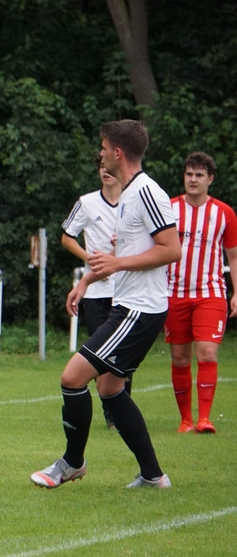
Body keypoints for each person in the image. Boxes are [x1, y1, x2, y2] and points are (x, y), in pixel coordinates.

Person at [34, 119, 180, 490]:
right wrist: (86, 281)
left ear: (117, 152)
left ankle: (72, 463)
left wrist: (117, 264)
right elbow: (121, 252)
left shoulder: (146, 192)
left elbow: (171, 250)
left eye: (103, 148)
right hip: (128, 306)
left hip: (139, 309)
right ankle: (153, 476)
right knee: (110, 389)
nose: (100, 155)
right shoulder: (128, 194)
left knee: (72, 378)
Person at [165, 151, 237, 434]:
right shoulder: (169, 209)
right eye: (189, 174)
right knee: (180, 358)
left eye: (199, 175)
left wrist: (236, 293)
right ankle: (185, 420)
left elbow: (233, 256)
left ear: (210, 179)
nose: (193, 180)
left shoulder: (224, 213)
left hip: (211, 292)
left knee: (207, 353)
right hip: (174, 293)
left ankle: (204, 419)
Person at [60, 154, 129, 428]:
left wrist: (120, 250)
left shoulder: (133, 201)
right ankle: (111, 413)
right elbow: (67, 236)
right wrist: (90, 258)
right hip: (96, 291)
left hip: (126, 289)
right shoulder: (87, 203)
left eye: (108, 167)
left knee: (123, 354)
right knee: (100, 352)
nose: (105, 171)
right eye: (101, 167)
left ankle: (121, 411)